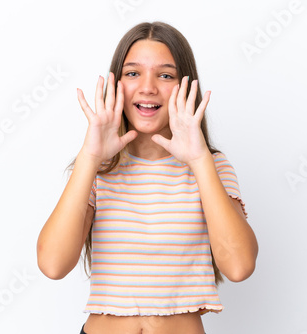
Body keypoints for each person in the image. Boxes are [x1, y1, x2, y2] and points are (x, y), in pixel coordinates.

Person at [36, 21, 258, 334]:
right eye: (133, 73)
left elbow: (239, 266)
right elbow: (53, 264)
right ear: (116, 84)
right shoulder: (97, 169)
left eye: (165, 75)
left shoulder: (212, 166)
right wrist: (89, 157)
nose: (148, 87)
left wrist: (199, 160)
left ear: (185, 86)